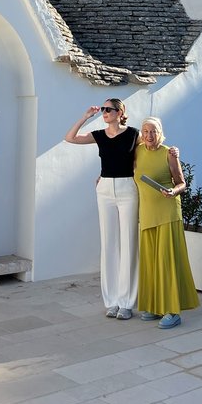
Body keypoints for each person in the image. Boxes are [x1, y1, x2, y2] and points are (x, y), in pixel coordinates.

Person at [65, 99, 139, 319]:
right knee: (109, 244)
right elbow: (70, 138)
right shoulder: (98, 135)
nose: (105, 112)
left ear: (120, 112)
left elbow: (150, 150)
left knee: (128, 243)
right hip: (105, 188)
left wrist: (172, 152)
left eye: (109, 109)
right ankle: (112, 301)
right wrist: (86, 117)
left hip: (127, 187)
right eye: (104, 110)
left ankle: (126, 303)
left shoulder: (133, 134)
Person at [134, 116, 199, 329]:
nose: (149, 135)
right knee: (151, 262)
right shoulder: (138, 151)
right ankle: (154, 306)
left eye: (153, 131)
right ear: (141, 134)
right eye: (145, 131)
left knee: (167, 262)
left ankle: (173, 311)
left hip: (167, 213)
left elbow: (182, 182)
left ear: (160, 133)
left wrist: (173, 191)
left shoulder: (169, 152)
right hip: (147, 214)